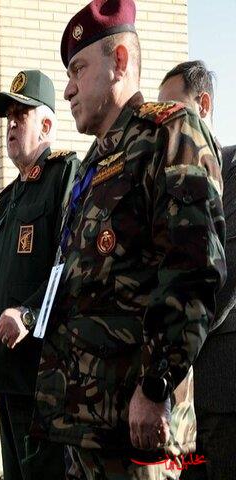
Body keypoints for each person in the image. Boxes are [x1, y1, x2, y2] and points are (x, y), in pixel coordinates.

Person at [23, 1, 225, 478]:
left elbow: (194, 269)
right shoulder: (90, 167)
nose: (67, 89)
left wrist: (156, 386)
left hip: (140, 427)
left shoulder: (170, 132)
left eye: (78, 69)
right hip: (84, 426)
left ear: (118, 62)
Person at [0, 70, 78, 480]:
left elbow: (71, 263)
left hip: (43, 377)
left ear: (46, 126)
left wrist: (28, 314)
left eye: (20, 116)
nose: (10, 126)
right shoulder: (8, 199)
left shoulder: (64, 176)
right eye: (8, 118)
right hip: (6, 375)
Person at [159, 60, 236, 480]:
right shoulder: (166, 187)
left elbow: (223, 278)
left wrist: (174, 347)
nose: (165, 125)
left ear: (203, 105)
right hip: (177, 401)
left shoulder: (234, 170)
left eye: (174, 111)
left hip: (222, 387)